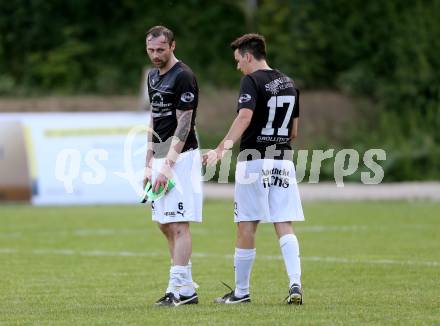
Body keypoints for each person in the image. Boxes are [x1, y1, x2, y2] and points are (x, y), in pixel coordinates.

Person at [204, 33, 304, 305]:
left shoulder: (251, 80)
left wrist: (222, 148)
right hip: (282, 159)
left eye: (238, 60)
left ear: (248, 56)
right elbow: (293, 132)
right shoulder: (289, 83)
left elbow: (244, 116)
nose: (238, 66)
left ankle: (241, 292)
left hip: (254, 160)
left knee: (247, 224)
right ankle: (295, 283)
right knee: (284, 222)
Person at [144, 25, 202, 307]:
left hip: (182, 158)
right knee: (164, 224)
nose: (155, 55)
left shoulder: (184, 77)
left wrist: (168, 166)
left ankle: (175, 289)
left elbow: (184, 124)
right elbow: (154, 121)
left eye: (160, 50)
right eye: (151, 50)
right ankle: (188, 288)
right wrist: (148, 164)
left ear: (173, 46)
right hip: (160, 158)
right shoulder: (152, 76)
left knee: (179, 224)